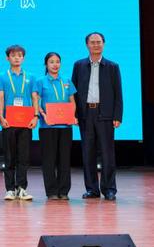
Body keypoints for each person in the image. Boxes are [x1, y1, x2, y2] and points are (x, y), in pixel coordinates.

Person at [71, 32, 123, 201]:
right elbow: (73, 92)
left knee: (108, 154)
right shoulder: (79, 65)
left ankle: (109, 189)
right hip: (85, 114)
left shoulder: (112, 66)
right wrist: (74, 114)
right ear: (87, 45)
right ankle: (92, 189)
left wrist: (117, 115)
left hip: (105, 114)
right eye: (92, 42)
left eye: (99, 42)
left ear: (104, 44)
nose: (96, 45)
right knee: (88, 154)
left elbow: (118, 93)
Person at [0, 44, 37, 201]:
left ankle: (22, 188)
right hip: (9, 122)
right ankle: (10, 189)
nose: (16, 58)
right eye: (13, 55)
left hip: (26, 122)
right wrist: (1, 117)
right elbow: (0, 97)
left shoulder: (31, 77)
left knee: (23, 157)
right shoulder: (2, 77)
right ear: (8, 58)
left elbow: (34, 97)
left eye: (19, 55)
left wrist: (35, 116)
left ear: (23, 58)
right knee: (9, 157)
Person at [32, 52, 77, 200]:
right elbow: (36, 101)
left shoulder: (67, 80)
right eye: (51, 62)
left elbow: (72, 101)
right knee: (49, 159)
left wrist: (72, 116)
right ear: (46, 64)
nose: (55, 64)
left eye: (57, 61)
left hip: (65, 127)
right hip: (47, 126)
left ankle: (64, 191)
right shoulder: (40, 81)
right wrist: (42, 115)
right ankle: (51, 191)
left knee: (64, 159)